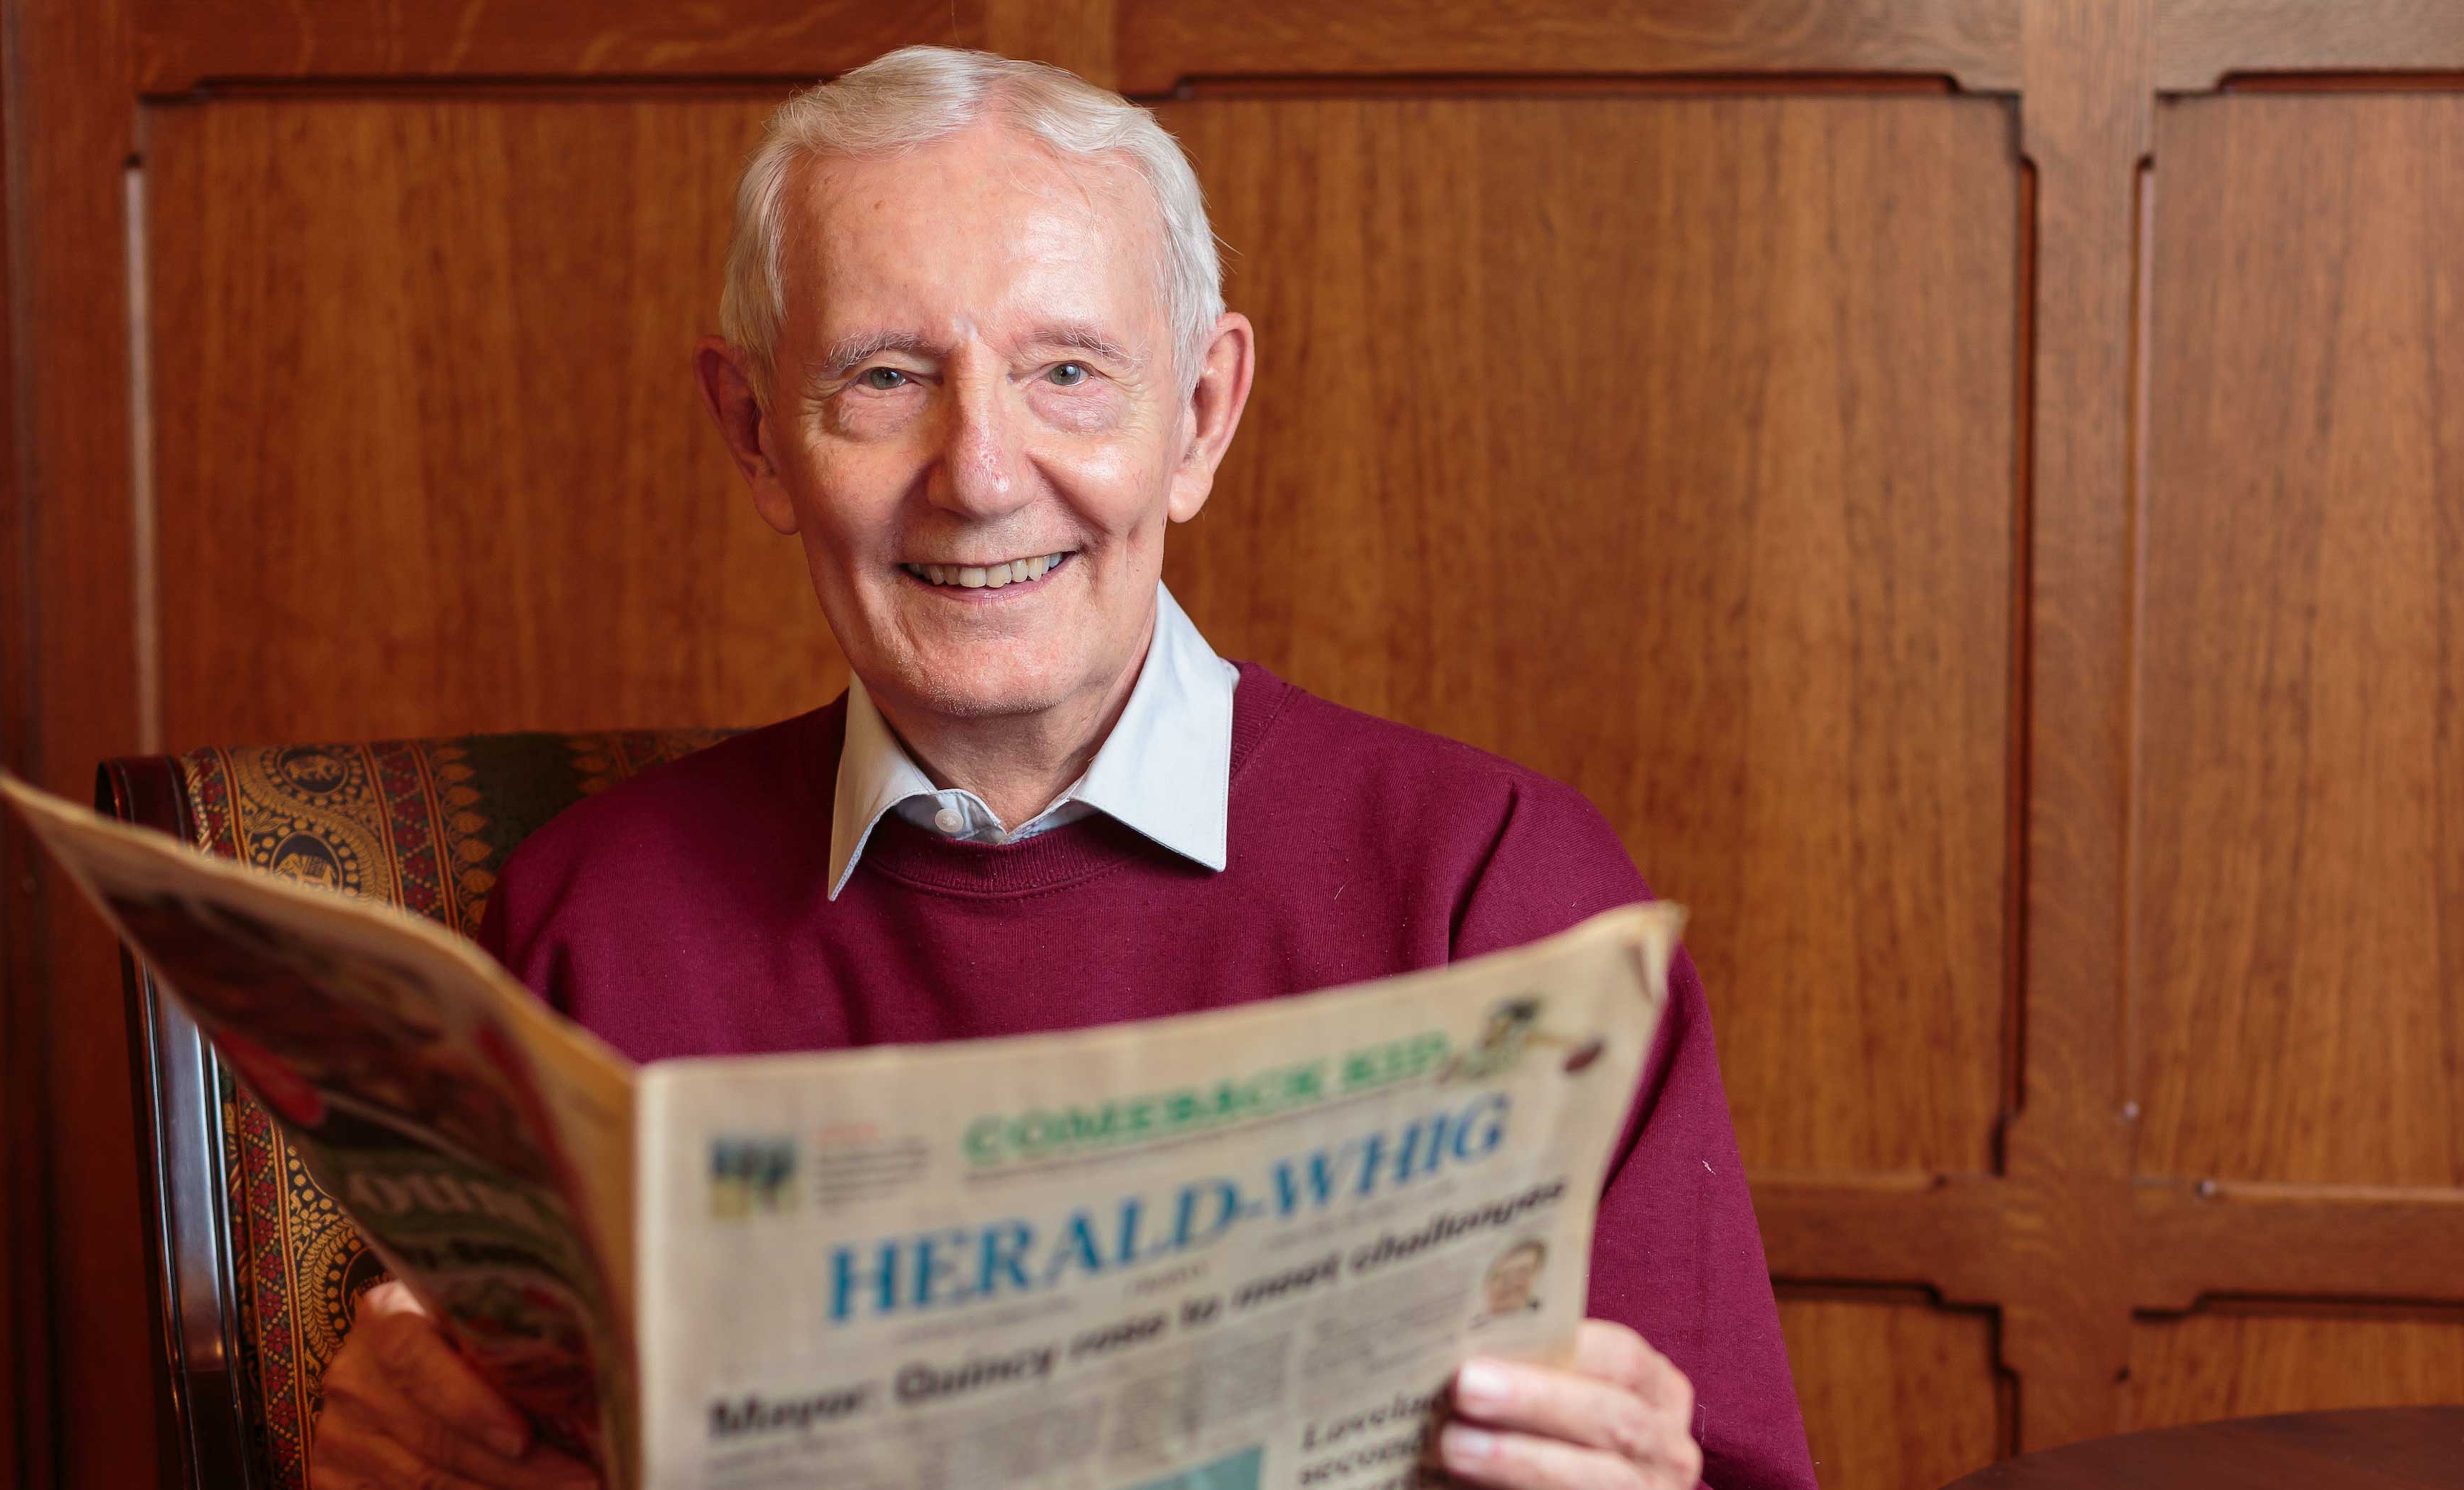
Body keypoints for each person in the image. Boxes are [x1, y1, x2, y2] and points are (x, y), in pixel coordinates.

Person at [308, 45, 1812, 1490]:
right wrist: (397, 1460)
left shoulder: (1500, 888)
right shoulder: (595, 914)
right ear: (756, 432)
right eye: (887, 376)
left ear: (1200, 416)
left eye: (1069, 370)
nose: (979, 472)